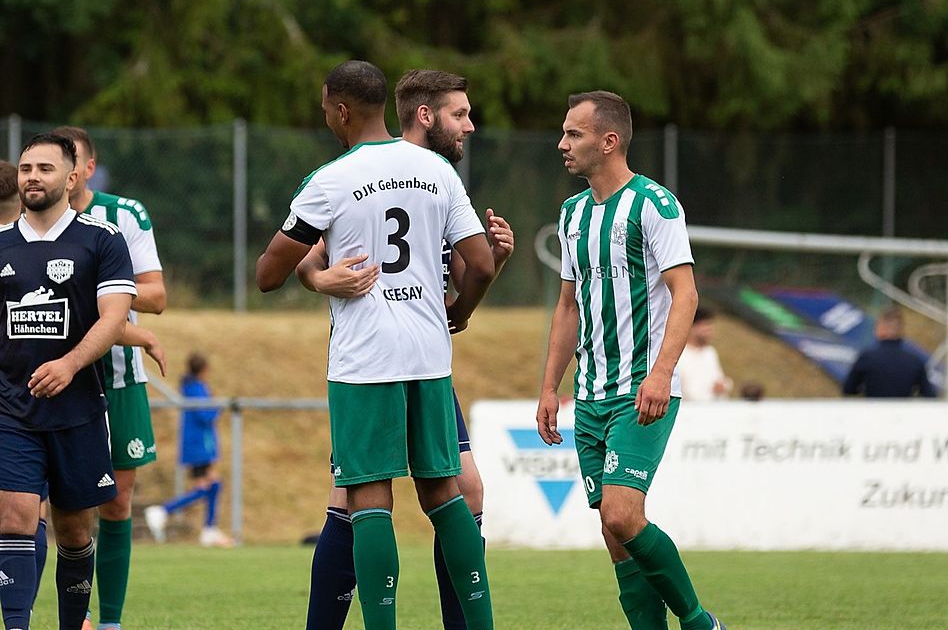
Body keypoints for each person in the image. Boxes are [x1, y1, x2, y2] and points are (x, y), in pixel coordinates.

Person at [255, 60, 496, 630]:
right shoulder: (436, 171)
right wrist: (453, 317)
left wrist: (315, 274)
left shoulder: (331, 179)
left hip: (365, 360)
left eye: (324, 107)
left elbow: (268, 273)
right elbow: (481, 263)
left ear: (340, 110)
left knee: (367, 500)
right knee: (446, 493)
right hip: (429, 359)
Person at [536, 92, 725, 630]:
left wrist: (661, 372)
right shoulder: (572, 214)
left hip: (641, 390)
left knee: (623, 512)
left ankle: (698, 621)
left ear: (609, 141)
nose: (562, 144)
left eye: (574, 134)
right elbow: (568, 306)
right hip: (592, 394)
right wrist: (551, 387)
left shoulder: (654, 205)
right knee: (611, 530)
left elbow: (684, 294)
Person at [0, 133, 137, 629]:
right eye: (25, 168)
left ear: (73, 177)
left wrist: (70, 364)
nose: (32, 176)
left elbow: (114, 316)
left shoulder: (101, 239)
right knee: (14, 517)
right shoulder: (1, 246)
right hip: (11, 408)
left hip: (79, 410)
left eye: (45, 168)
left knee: (75, 532)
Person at [50, 126, 167, 630]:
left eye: (72, 163)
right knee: (47, 507)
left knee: (117, 501)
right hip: (51, 380)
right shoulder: (32, 222)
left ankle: (111, 620)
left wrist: (104, 293)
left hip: (118, 382)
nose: (64, 172)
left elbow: (156, 297)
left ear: (87, 169)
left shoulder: (124, 215)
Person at [143, 353, 231, 547]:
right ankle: (163, 511)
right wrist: (217, 407)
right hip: (200, 445)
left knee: (213, 485)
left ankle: (209, 529)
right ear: (204, 370)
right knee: (208, 486)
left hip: (199, 444)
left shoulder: (191, 387)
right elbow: (205, 415)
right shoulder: (197, 389)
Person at [843, 305, 936, 398]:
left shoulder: (867, 357)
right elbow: (930, 395)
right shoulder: (916, 362)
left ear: (882, 327)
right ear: (901, 331)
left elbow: (848, 388)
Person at [677, 308, 732, 401]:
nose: (709, 330)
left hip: (711, 409)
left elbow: (720, 380)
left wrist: (723, 386)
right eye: (704, 325)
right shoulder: (680, 355)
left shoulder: (710, 352)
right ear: (691, 327)